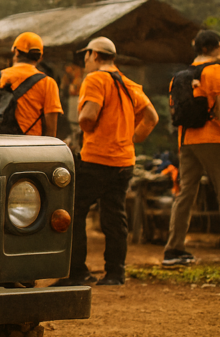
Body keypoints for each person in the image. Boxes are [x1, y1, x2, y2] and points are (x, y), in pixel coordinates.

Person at [56, 37, 159, 286]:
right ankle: (115, 273)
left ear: (95, 55)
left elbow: (88, 115)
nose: (85, 61)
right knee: (115, 215)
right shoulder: (129, 83)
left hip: (97, 159)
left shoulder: (95, 79)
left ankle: (76, 272)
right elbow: (152, 118)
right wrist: (130, 138)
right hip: (124, 161)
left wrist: (86, 126)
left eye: (87, 56)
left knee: (74, 211)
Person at [163, 29, 220, 266]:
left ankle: (174, 249)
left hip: (187, 140)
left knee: (185, 194)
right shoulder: (218, 71)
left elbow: (174, 112)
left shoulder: (180, 75)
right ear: (214, 47)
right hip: (214, 140)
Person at [0, 32, 63, 136]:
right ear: (39, 57)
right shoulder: (47, 83)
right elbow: (51, 129)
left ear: (16, 52)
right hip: (28, 147)